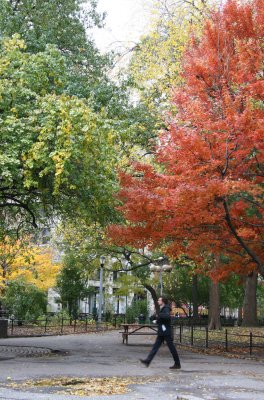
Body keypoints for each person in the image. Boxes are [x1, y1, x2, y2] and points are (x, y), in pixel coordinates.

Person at [140, 296, 181, 369]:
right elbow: (161, 318)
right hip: (162, 332)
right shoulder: (162, 309)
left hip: (166, 332)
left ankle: (177, 363)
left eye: (159, 300)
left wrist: (158, 315)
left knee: (172, 348)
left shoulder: (166, 308)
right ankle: (147, 361)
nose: (158, 301)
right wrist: (154, 318)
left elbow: (167, 317)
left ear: (163, 301)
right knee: (155, 347)